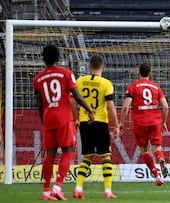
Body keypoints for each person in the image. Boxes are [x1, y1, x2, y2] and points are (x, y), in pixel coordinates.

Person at [33, 44, 94, 201]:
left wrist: (43, 120)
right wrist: (89, 110)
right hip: (64, 117)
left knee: (50, 155)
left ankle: (46, 191)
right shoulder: (66, 73)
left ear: (43, 58)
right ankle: (57, 187)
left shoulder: (38, 79)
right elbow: (77, 96)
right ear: (58, 58)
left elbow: (39, 104)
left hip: (48, 118)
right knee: (68, 151)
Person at [72, 54, 120, 199]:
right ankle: (107, 191)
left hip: (85, 122)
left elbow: (73, 102)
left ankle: (78, 189)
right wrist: (117, 125)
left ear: (89, 66)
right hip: (100, 122)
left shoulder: (80, 80)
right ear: (103, 66)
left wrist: (75, 118)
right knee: (105, 157)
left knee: (87, 157)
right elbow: (110, 107)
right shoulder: (106, 83)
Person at [119, 62, 169, 186]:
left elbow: (125, 106)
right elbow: (166, 106)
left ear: (138, 72)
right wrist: (164, 122)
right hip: (155, 121)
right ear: (150, 73)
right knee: (157, 148)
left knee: (144, 151)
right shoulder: (156, 87)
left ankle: (157, 176)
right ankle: (160, 158)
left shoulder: (133, 87)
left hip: (140, 122)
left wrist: (121, 122)